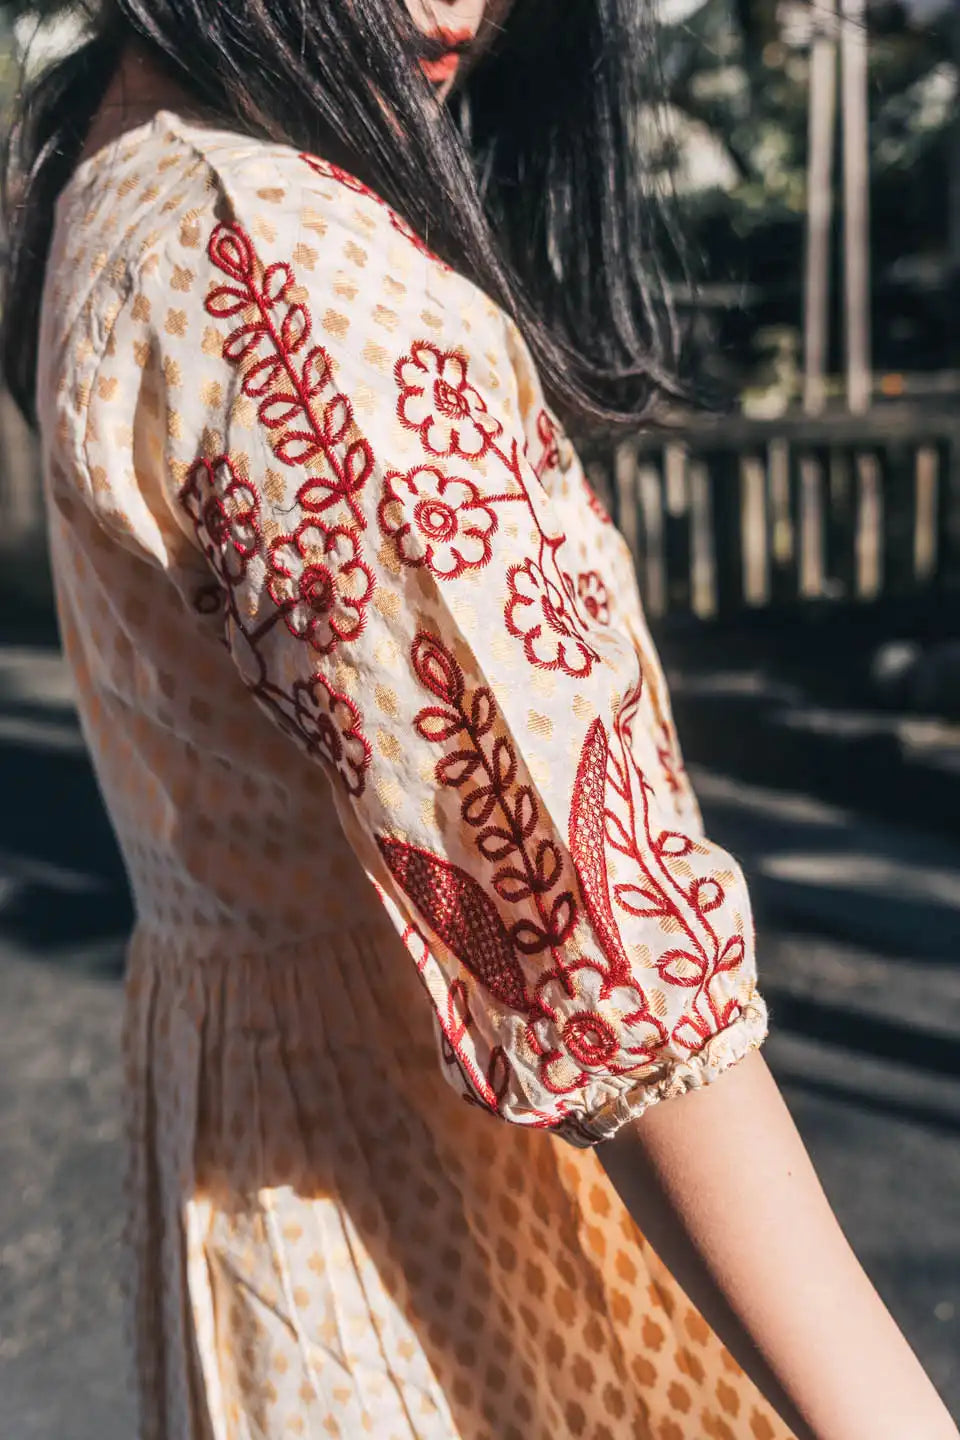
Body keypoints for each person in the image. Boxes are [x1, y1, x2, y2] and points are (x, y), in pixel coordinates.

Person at [3, 3, 956, 1438]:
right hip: (439, 1230)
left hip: (277, 1183)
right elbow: (605, 957)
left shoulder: (115, 159)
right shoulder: (268, 263)